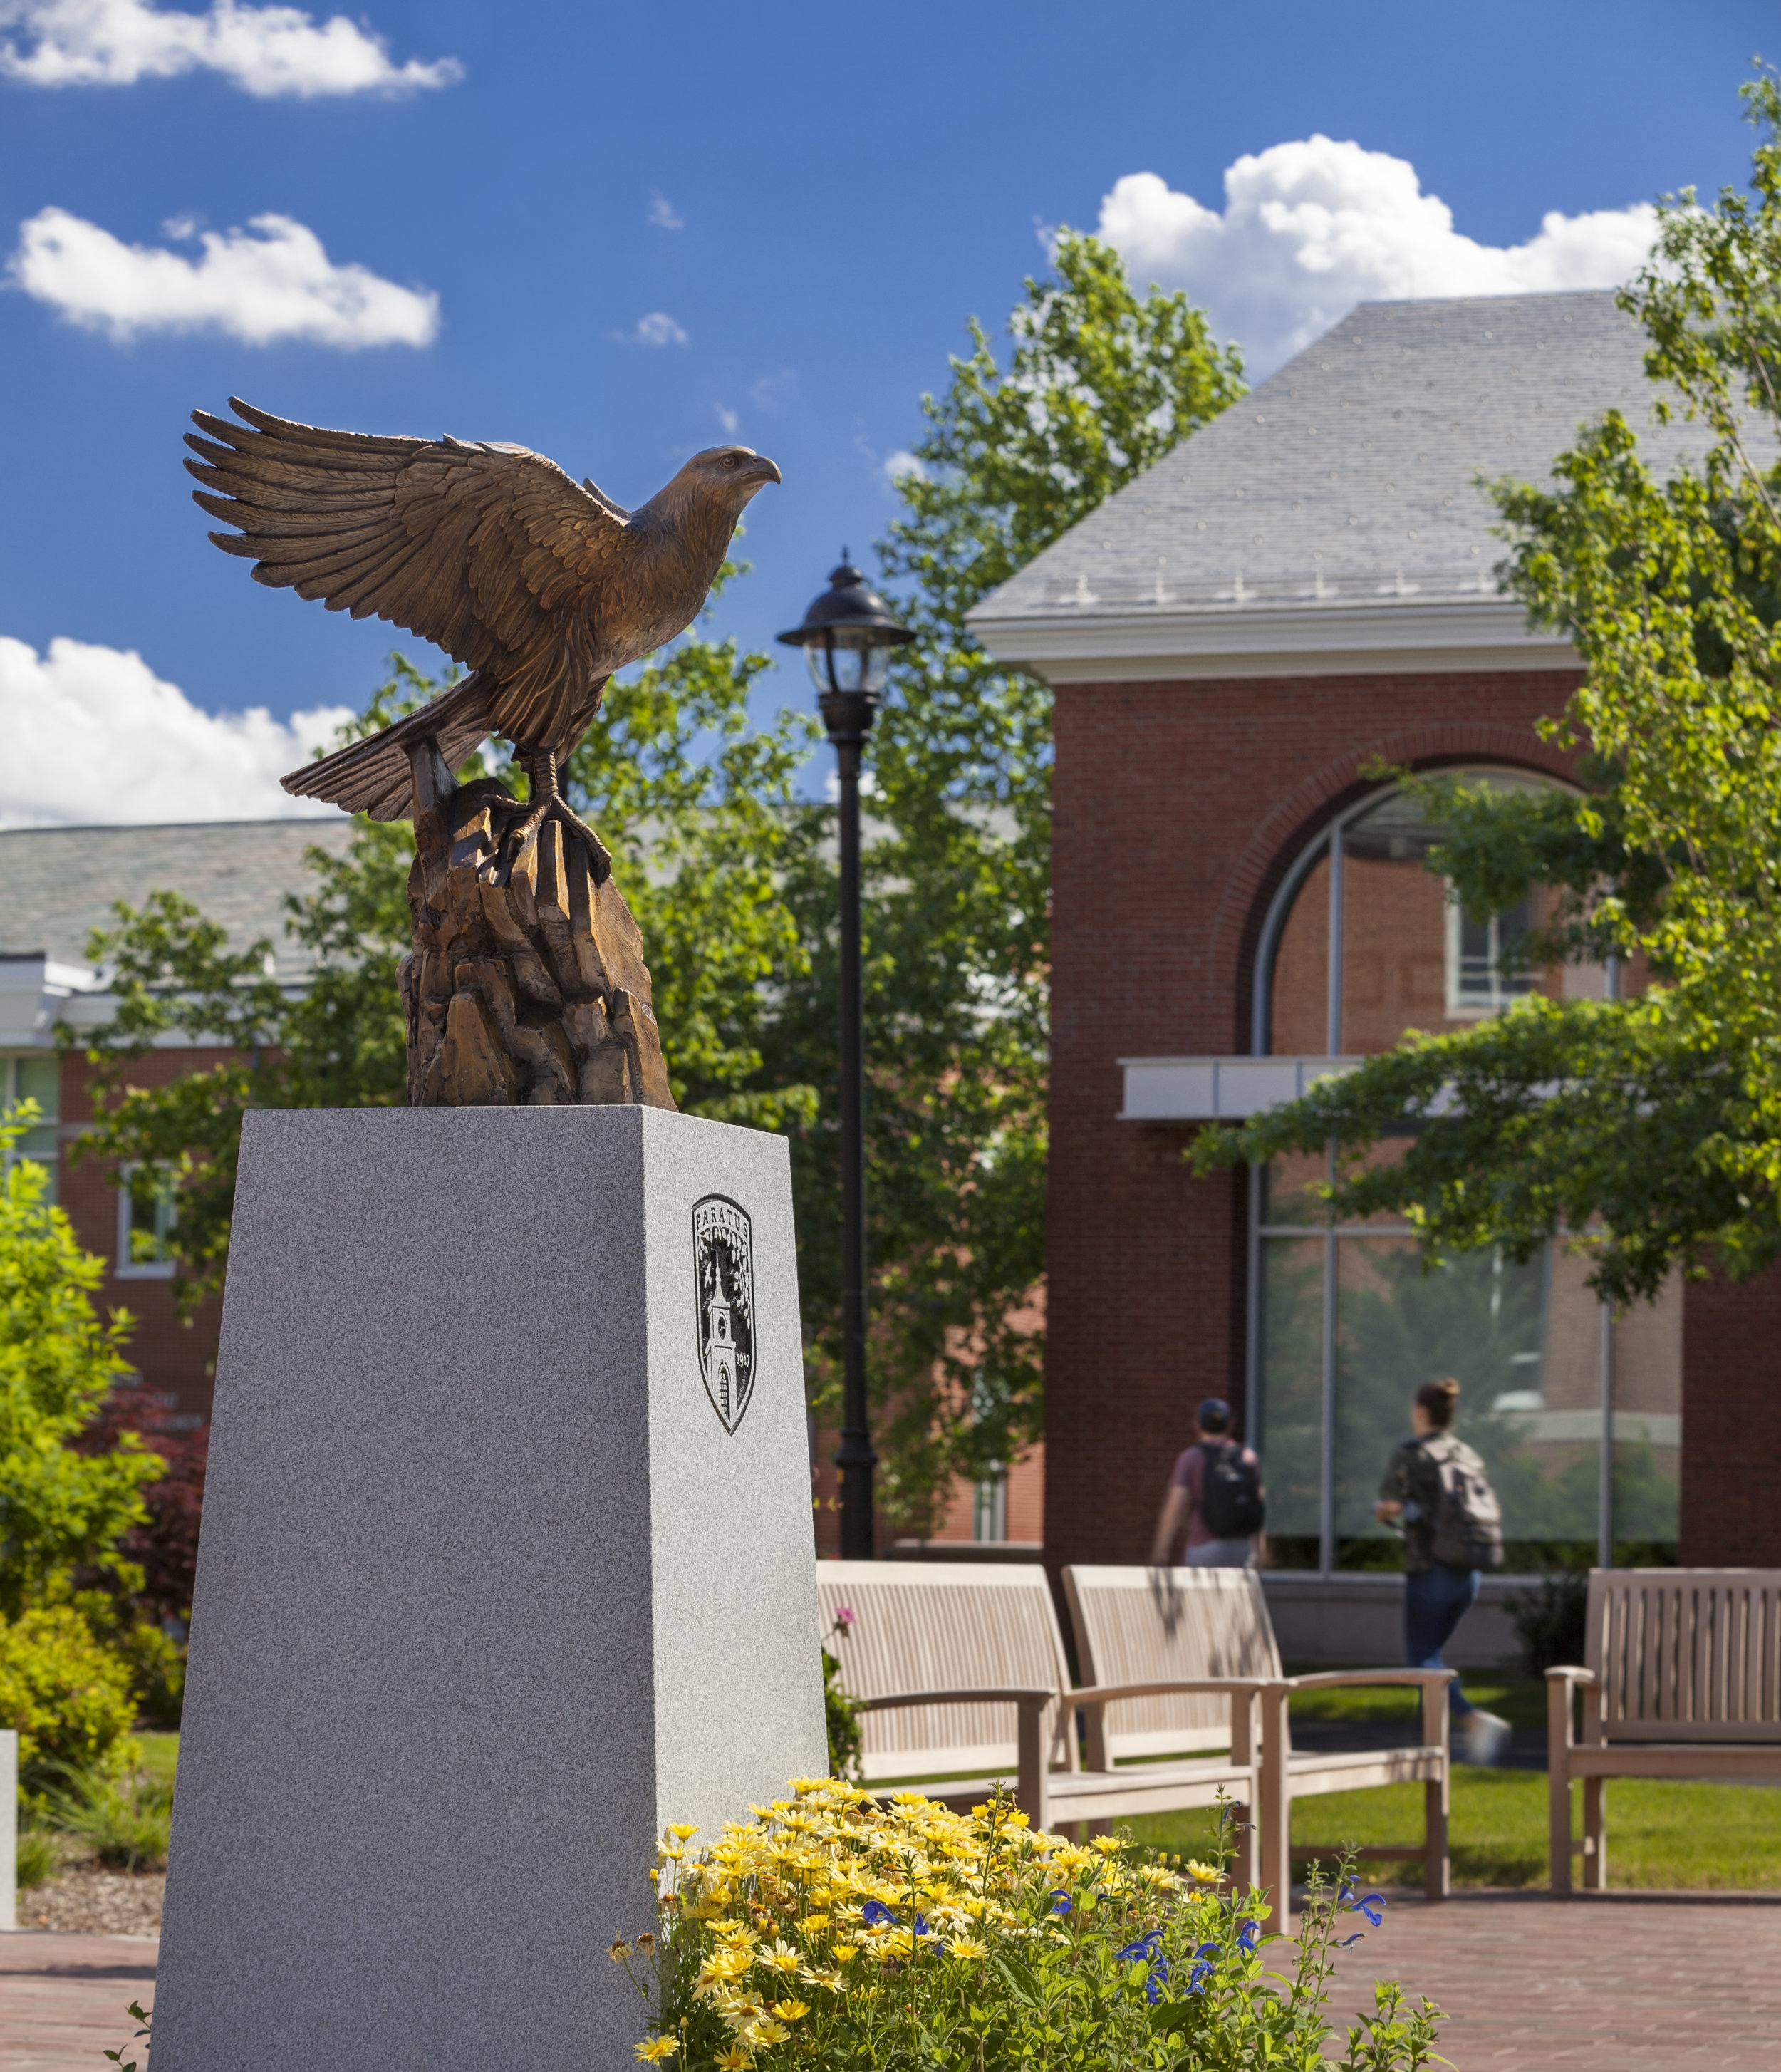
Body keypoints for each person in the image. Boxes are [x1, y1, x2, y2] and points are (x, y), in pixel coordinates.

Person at [1376, 1379, 1511, 1766]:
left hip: (1430, 1568)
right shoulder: (1468, 1454)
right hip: (1469, 1572)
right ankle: (1436, 1743)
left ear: (1420, 1413)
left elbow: (1391, 1505)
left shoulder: (1411, 1454)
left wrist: (1382, 1513)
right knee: (1431, 1659)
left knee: (1423, 1662)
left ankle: (1472, 1720)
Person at [1151, 1399, 1265, 1568]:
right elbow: (1258, 1507)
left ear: (1197, 1425)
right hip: (1241, 1551)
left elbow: (1175, 1507)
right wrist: (1259, 1554)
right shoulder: (1248, 1458)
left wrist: (1161, 1551)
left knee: (1195, 1595)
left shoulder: (1191, 1458)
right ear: (1230, 1424)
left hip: (1203, 1549)